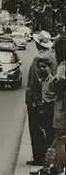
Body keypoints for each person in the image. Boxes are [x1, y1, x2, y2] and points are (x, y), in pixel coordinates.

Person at [26, 30, 58, 166]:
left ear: (38, 44)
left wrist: (31, 100)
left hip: (39, 100)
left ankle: (39, 157)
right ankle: (49, 157)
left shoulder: (38, 59)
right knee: (49, 130)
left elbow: (34, 82)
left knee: (36, 129)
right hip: (51, 98)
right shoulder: (53, 57)